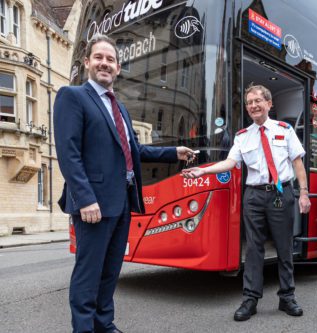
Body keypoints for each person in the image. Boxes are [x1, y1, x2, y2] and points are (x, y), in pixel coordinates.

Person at [54, 34, 194, 333]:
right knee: (88, 273)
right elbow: (68, 153)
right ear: (87, 62)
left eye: (111, 60)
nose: (105, 63)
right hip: (94, 204)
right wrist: (85, 198)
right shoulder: (73, 96)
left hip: (121, 201)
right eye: (99, 58)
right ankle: (84, 329)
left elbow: (135, 151)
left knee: (109, 272)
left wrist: (173, 152)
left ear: (118, 68)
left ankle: (104, 324)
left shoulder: (120, 108)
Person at [182, 84, 311, 321]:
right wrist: (203, 172)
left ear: (269, 104)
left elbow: (298, 164)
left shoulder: (285, 130)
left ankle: (287, 297)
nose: (253, 106)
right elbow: (230, 163)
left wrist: (303, 193)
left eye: (257, 101)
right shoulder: (243, 136)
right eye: (249, 102)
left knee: (284, 247)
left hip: (281, 194)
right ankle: (250, 299)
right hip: (253, 196)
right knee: (253, 248)